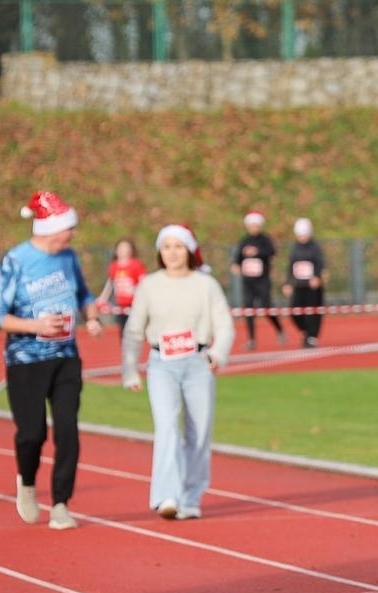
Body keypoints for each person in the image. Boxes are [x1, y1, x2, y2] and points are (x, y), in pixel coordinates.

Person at [0, 190, 104, 530]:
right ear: (51, 229)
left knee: (68, 430)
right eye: (69, 230)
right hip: (26, 360)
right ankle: (26, 480)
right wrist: (35, 325)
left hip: (66, 357)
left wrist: (92, 317)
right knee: (31, 434)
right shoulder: (17, 261)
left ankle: (62, 504)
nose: (72, 235)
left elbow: (84, 294)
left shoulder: (69, 257)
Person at [121, 224, 235, 520]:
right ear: (160, 252)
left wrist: (217, 353)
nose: (172, 252)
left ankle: (191, 497)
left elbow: (223, 324)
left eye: (178, 246)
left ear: (189, 250)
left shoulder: (206, 285)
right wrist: (130, 369)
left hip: (197, 364)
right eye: (167, 246)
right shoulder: (149, 285)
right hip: (162, 365)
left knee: (199, 434)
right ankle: (166, 496)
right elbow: (134, 331)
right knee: (167, 426)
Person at [230, 210, 285, 350]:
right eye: (251, 225)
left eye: (256, 225)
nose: (254, 228)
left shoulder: (265, 240)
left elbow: (272, 251)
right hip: (248, 281)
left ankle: (279, 329)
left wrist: (258, 252)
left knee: (266, 306)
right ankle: (251, 340)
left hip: (262, 280)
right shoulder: (245, 241)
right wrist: (236, 265)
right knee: (249, 309)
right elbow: (238, 257)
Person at [282, 217, 327, 347]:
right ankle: (305, 332)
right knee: (294, 310)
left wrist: (317, 277)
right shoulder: (294, 248)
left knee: (312, 312)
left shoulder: (315, 247)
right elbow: (291, 265)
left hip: (312, 286)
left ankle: (312, 336)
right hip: (298, 285)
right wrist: (287, 283)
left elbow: (320, 263)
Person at [100, 238, 146, 342]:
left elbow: (143, 283)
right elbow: (110, 283)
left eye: (125, 248)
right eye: (120, 248)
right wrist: (102, 299)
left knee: (136, 333)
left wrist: (141, 301)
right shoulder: (113, 266)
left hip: (134, 305)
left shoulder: (136, 265)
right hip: (120, 306)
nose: (122, 251)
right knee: (123, 334)